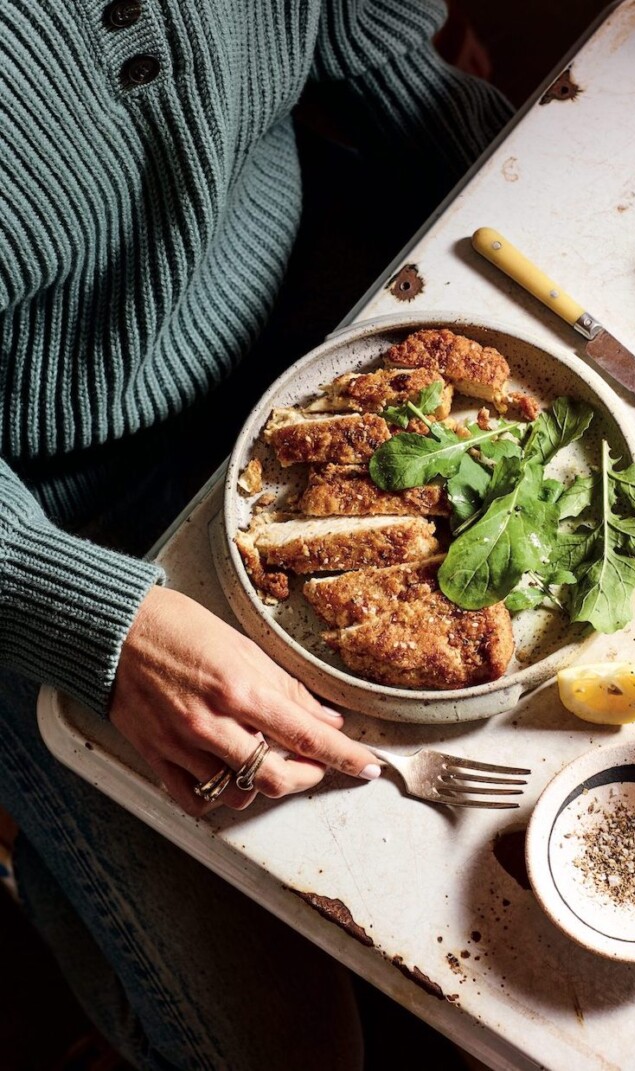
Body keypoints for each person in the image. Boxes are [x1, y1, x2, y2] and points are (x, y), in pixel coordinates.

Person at [0, 1, 511, 1067]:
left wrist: (530, 207)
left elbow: (385, 67)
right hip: (51, 529)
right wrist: (95, 619)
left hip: (319, 339)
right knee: (280, 1051)